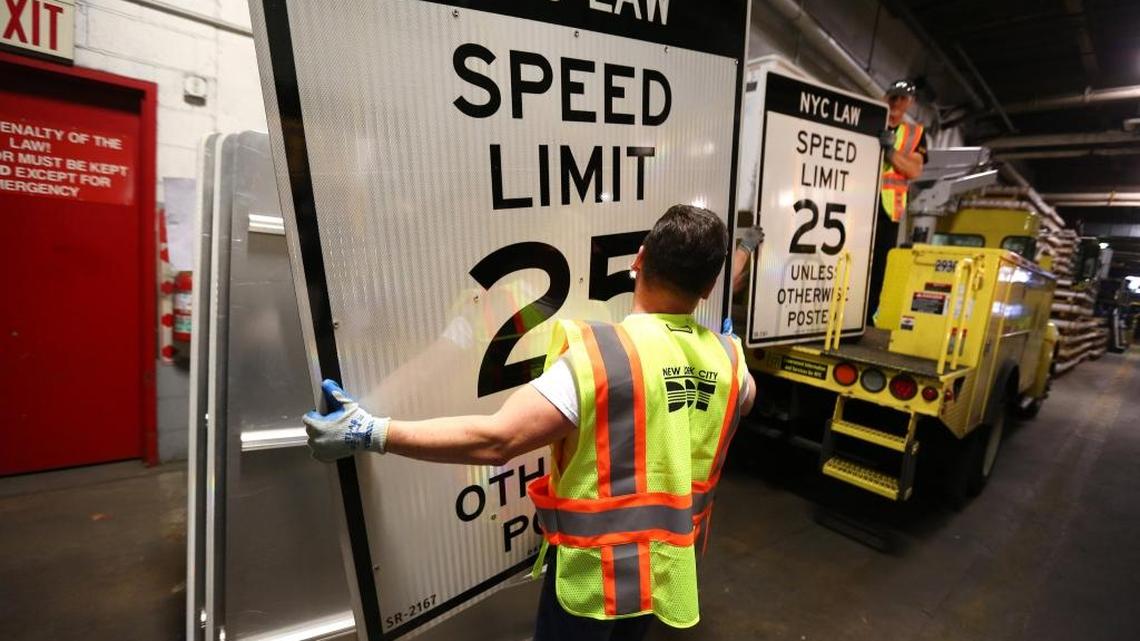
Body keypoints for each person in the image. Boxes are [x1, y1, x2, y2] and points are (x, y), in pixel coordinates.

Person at [303, 204, 757, 641]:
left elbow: (497, 439)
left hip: (594, 581)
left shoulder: (604, 357)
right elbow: (740, 396)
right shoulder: (731, 364)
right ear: (709, 288)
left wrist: (374, 431)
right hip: (666, 570)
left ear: (639, 259)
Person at [869, 79, 928, 325]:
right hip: (859, 204)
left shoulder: (915, 135)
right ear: (885, 97)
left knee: (879, 266)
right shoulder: (869, 121)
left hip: (887, 209)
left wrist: (891, 152)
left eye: (902, 98)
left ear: (910, 103)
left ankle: (867, 316)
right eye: (893, 96)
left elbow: (914, 171)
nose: (896, 102)